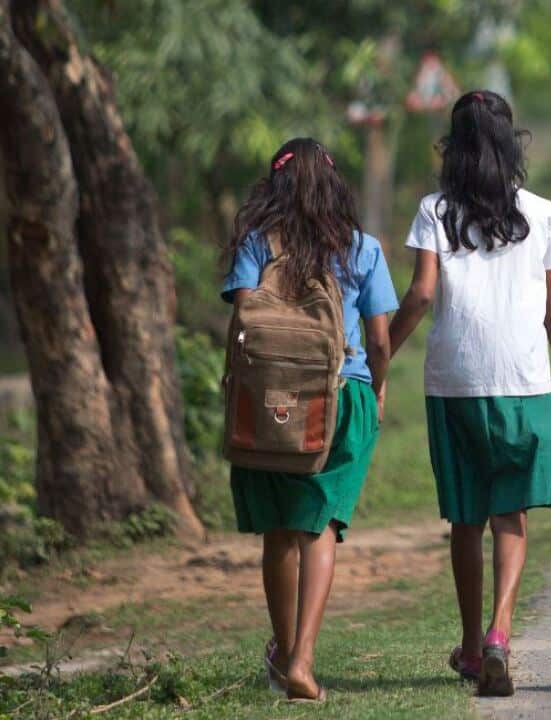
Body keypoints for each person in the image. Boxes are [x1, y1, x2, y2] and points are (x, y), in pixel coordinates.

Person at [388, 90, 551, 697]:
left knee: (466, 518)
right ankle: (499, 636)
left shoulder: (434, 210)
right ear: (512, 144)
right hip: (524, 381)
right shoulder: (545, 213)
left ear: (452, 148)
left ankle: (467, 642)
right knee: (510, 515)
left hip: (454, 382)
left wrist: (378, 358)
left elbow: (422, 295)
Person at [222, 138, 399, 703]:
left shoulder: (255, 244)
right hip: (341, 397)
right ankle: (302, 658)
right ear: (332, 186)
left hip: (270, 400)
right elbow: (378, 339)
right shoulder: (362, 249)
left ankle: (281, 652)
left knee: (279, 529)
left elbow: (243, 323)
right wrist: (380, 385)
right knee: (320, 526)